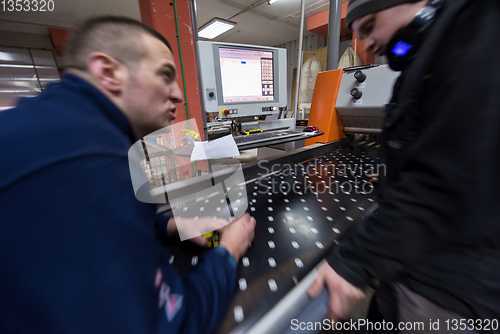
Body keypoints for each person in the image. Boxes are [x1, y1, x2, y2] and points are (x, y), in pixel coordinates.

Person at [0, 16, 256, 333]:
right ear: (108, 73)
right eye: (165, 75)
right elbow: (167, 326)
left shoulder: (57, 125)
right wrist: (228, 251)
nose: (177, 93)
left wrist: (172, 227)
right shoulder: (96, 160)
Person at [308, 0, 500, 331]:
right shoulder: (420, 60)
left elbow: (446, 182)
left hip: (449, 290)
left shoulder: (476, 30)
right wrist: (392, 178)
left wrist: (352, 261)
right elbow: (427, 146)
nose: (366, 44)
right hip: (404, 263)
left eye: (369, 26)